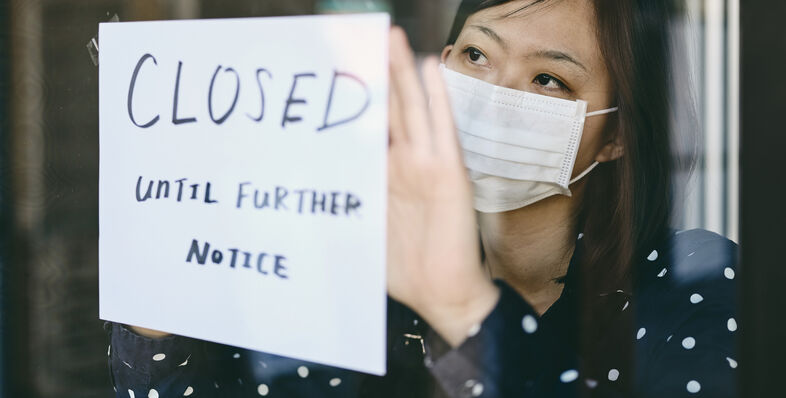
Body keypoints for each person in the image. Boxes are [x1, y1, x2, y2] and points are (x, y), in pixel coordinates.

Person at [105, 0, 738, 397]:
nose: (497, 92)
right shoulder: (346, 269)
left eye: (548, 79)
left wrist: (463, 308)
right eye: (476, 54)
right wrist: (157, 315)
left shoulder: (694, 287)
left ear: (614, 137)